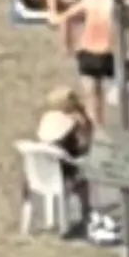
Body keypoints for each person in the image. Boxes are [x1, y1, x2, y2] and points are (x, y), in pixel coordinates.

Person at [34, 86, 93, 234]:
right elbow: (85, 143)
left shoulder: (47, 119)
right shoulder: (72, 123)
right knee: (84, 181)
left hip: (39, 172)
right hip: (62, 173)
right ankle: (86, 214)